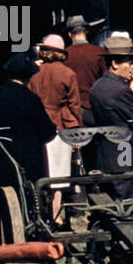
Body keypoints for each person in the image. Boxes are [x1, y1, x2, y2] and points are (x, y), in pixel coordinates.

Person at [0, 52, 58, 215]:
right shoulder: (30, 99)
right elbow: (48, 133)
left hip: (0, 160)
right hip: (27, 164)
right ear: (29, 76)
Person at [27, 34, 81, 224]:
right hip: (59, 125)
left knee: (42, 170)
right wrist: (77, 132)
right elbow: (74, 106)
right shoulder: (68, 74)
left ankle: (40, 209)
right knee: (59, 172)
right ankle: (56, 211)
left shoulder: (34, 72)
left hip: (36, 125)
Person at [89, 35, 133, 200]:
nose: (132, 66)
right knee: (128, 203)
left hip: (105, 154)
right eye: (128, 61)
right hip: (124, 154)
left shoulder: (97, 86)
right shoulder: (120, 91)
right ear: (114, 63)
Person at [64, 16, 106, 127]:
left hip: (72, 108)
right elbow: (106, 79)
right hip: (95, 106)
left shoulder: (65, 55)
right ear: (86, 31)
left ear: (69, 34)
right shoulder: (99, 52)